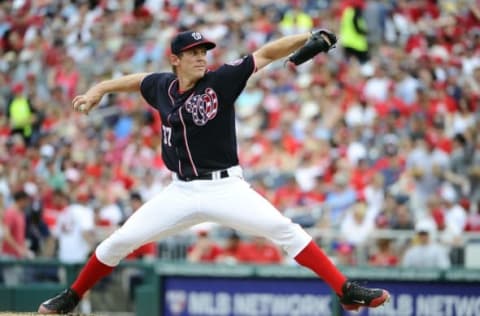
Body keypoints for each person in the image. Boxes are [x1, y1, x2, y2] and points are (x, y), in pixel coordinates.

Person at [38, 29, 389, 314]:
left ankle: (345, 290)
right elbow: (138, 80)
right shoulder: (163, 86)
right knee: (119, 241)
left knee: (285, 230)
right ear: (175, 60)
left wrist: (305, 38)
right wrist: (99, 88)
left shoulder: (221, 80)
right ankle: (71, 297)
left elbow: (264, 54)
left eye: (203, 50)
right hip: (180, 192)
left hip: (226, 188)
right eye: (192, 52)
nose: (201, 56)